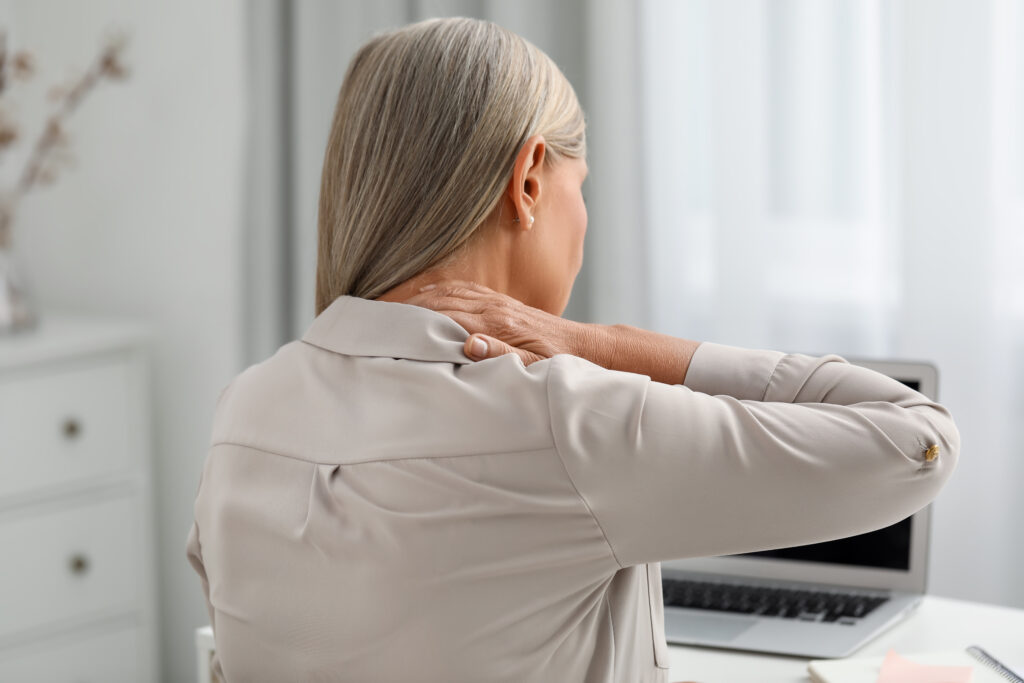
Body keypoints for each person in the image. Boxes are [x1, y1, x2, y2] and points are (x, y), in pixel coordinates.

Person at [186, 17, 959, 683]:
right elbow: (917, 441)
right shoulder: (559, 419)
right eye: (577, 185)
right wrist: (598, 344)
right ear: (527, 181)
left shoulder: (243, 412)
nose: (582, 220)